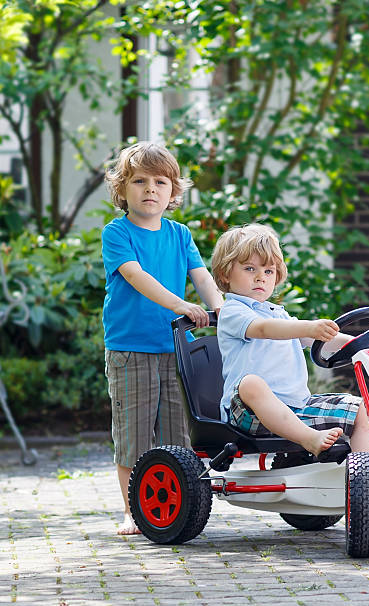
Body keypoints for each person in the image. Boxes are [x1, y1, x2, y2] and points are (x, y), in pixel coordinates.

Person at [102, 142, 224, 536]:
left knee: (177, 437)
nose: (150, 188)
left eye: (160, 181)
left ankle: (179, 511)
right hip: (130, 349)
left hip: (176, 351)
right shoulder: (116, 233)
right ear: (122, 190)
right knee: (134, 436)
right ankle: (132, 511)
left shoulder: (180, 234)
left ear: (173, 191)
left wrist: (222, 308)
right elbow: (138, 278)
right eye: (139, 181)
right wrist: (183, 306)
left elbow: (202, 276)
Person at [211, 223, 369, 458]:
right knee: (251, 383)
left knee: (359, 408)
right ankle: (310, 439)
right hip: (247, 412)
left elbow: (314, 338)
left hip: (297, 407)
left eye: (268, 271)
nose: (261, 277)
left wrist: (357, 342)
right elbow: (263, 329)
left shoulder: (277, 313)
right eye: (250, 269)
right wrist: (309, 325)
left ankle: (367, 476)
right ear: (225, 274)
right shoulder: (233, 310)